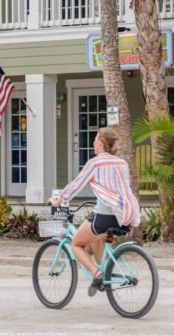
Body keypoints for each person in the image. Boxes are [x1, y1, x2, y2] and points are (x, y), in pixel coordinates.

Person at [49, 127, 140, 296]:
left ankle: (97, 274)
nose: (93, 143)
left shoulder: (95, 162)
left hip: (105, 215)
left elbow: (76, 184)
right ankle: (105, 270)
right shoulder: (122, 163)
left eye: (95, 139)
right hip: (125, 215)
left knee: (76, 243)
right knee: (95, 238)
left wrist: (59, 200)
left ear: (100, 142)